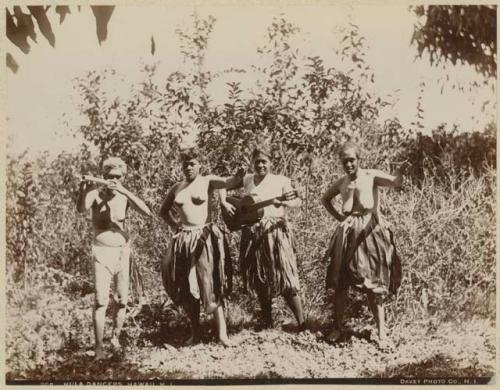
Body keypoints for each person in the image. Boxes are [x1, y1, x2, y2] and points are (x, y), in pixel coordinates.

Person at [321, 142, 403, 348]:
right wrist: (340, 218)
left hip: (371, 234)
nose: (348, 164)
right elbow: (325, 199)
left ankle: (382, 333)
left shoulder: (370, 176)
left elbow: (395, 182)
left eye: (352, 160)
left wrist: (402, 169)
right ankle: (339, 327)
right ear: (341, 162)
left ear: (359, 159)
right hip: (347, 236)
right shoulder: (342, 183)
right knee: (341, 282)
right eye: (345, 161)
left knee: (374, 284)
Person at [159, 148, 243, 347]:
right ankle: (195, 333)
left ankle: (222, 335)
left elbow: (228, 182)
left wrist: (238, 176)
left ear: (199, 165)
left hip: (204, 238)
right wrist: (175, 225)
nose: (188, 167)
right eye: (185, 164)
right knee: (188, 288)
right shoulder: (176, 188)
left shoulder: (207, 181)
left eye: (192, 163)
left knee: (211, 284)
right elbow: (163, 211)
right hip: (184, 240)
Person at [221, 146, 306, 331]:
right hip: (252, 233)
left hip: (275, 233)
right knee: (259, 277)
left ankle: (302, 323)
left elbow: (297, 201)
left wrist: (283, 202)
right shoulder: (247, 179)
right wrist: (223, 202)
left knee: (286, 277)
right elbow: (222, 185)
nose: (260, 165)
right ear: (252, 162)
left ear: (271, 163)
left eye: (264, 161)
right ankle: (267, 320)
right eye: (257, 161)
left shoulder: (281, 181)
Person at [77, 157, 152, 359]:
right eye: (110, 177)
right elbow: (81, 208)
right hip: (102, 251)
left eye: (118, 177)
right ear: (103, 176)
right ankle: (99, 347)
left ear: (123, 177)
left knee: (122, 300)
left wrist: (124, 190)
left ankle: (115, 339)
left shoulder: (124, 196)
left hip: (122, 251)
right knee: (101, 300)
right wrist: (84, 188)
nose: (114, 180)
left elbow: (147, 212)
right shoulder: (95, 193)